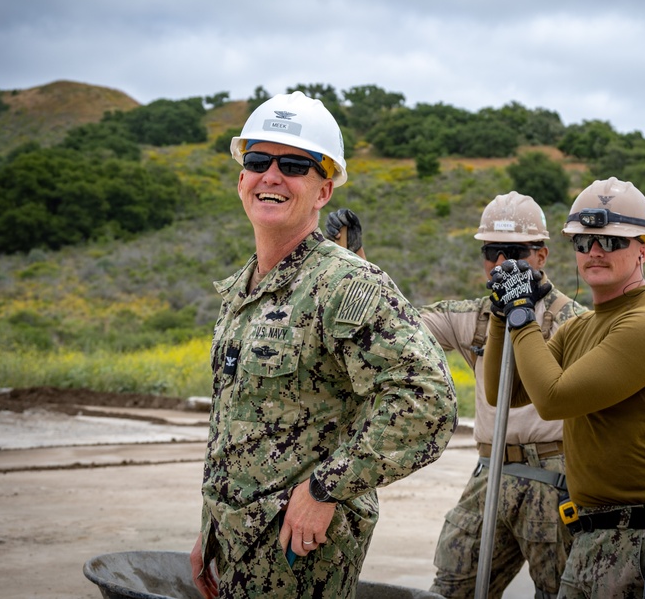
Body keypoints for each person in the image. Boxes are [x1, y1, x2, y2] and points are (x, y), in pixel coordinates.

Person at [190, 91, 458, 599]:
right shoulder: (240, 290)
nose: (271, 175)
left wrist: (324, 489)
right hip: (234, 545)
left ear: (323, 192)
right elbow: (233, 427)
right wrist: (209, 531)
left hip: (300, 553)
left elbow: (428, 403)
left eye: (293, 164)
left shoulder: (346, 285)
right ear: (241, 177)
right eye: (258, 160)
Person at [326, 192, 587, 599]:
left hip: (553, 477)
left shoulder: (575, 322)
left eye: (514, 251)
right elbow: (397, 325)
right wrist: (357, 261)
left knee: (562, 592)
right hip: (489, 472)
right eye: (491, 251)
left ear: (541, 255)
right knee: (452, 586)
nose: (501, 263)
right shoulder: (472, 316)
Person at [483, 177, 645, 598]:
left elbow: (554, 399)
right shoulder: (581, 327)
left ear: (644, 249)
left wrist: (521, 315)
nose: (594, 251)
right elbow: (506, 394)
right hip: (595, 535)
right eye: (584, 242)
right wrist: (503, 313)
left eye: (611, 242)